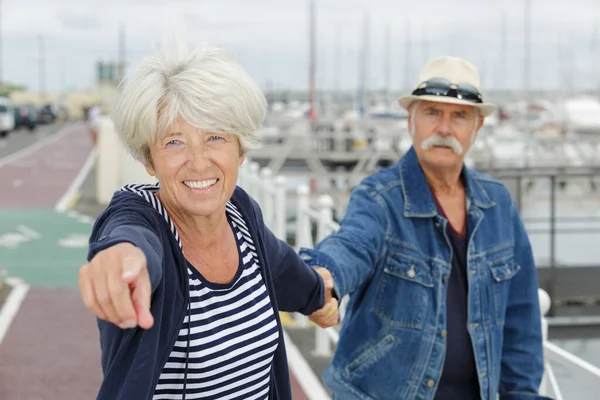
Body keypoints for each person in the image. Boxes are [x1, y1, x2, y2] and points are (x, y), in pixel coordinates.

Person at [78, 38, 338, 400]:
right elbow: (131, 240)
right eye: (173, 142)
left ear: (240, 148)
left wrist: (319, 296)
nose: (198, 162)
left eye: (215, 137)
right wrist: (122, 259)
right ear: (149, 159)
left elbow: (282, 267)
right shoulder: (142, 220)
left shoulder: (241, 214)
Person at [299, 56, 552, 400]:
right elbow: (352, 244)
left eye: (459, 116)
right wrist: (323, 278)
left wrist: (521, 394)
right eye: (432, 113)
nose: (444, 129)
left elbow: (522, 319)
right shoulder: (379, 198)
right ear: (411, 120)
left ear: (476, 128)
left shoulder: (498, 204)